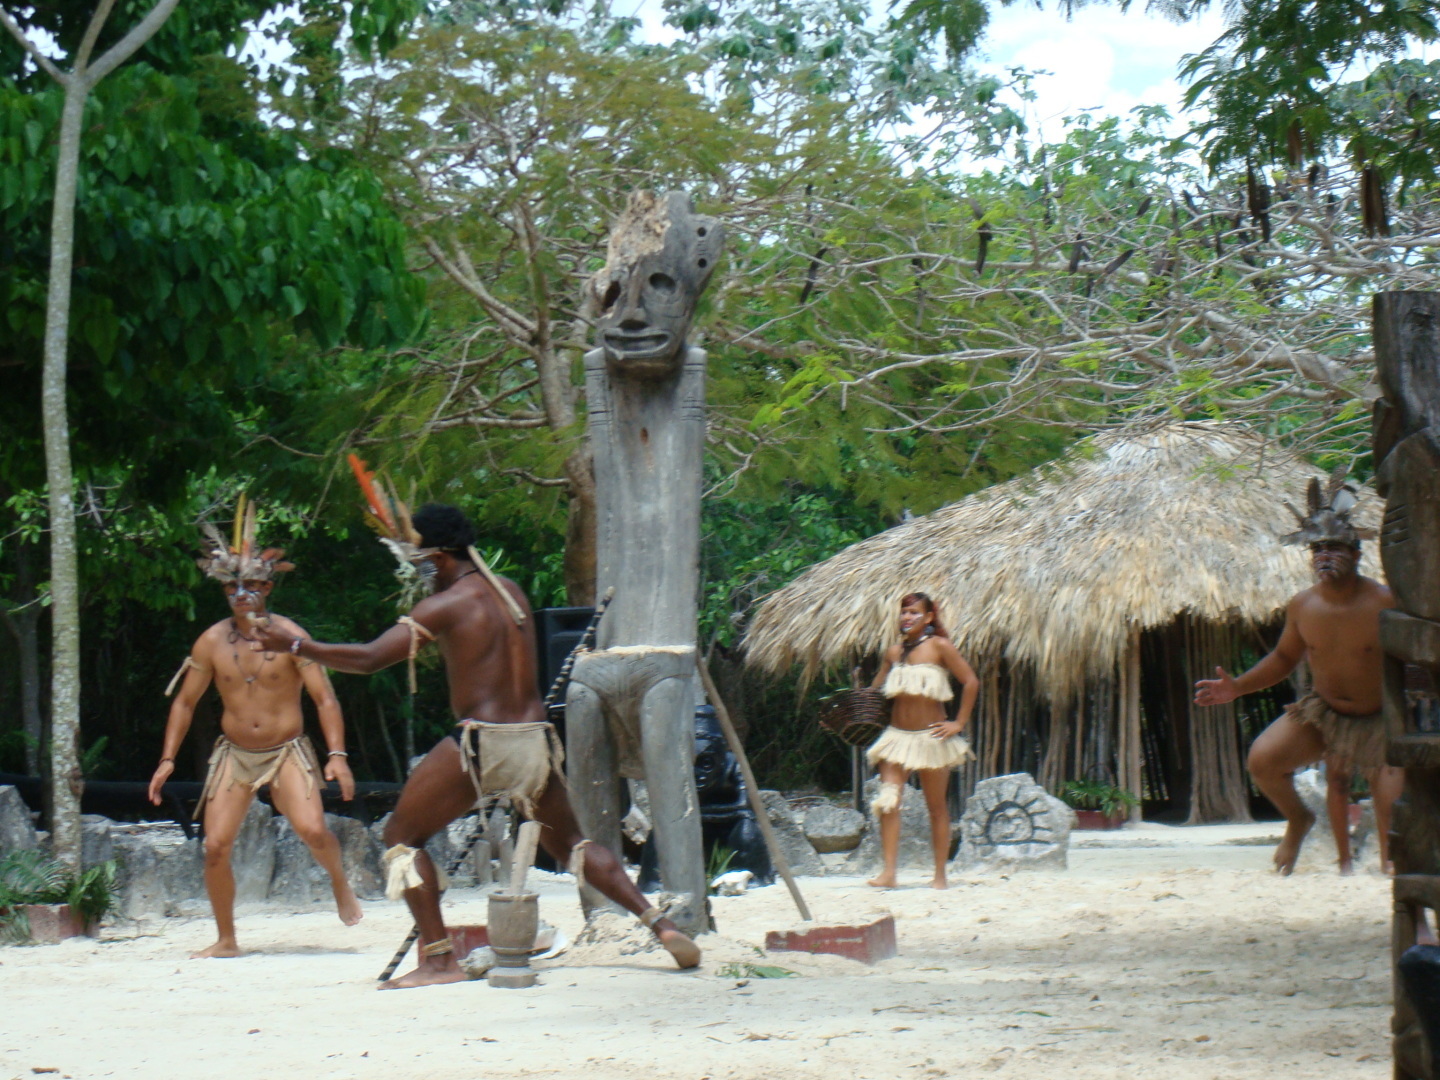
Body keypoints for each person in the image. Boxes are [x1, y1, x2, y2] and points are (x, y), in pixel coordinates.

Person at [251, 501, 702, 989]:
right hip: (534, 741)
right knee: (573, 843)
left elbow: (370, 658)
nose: (420, 577)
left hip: (481, 743)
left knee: (401, 838)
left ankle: (438, 960)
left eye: (421, 566)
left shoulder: (444, 605)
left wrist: (297, 646)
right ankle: (661, 924)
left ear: (440, 558)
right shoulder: (510, 592)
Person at [148, 502, 361, 958]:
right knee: (215, 845)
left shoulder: (290, 636)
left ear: (267, 587)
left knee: (314, 830)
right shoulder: (211, 642)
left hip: (286, 751)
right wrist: (167, 759)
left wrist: (338, 756)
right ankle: (226, 939)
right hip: (235, 753)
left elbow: (325, 698)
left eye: (250, 586)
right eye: (232, 587)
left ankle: (339, 881)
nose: (241, 594)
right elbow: (185, 701)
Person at [1195, 474, 1401, 875]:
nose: (1324, 555)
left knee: (1390, 806)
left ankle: (1391, 870)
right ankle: (1299, 819)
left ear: (1356, 553)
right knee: (1263, 760)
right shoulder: (1303, 605)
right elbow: (1283, 658)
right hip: (1323, 714)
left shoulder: (1385, 602)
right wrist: (1237, 687)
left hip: (1383, 718)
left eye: (1334, 547)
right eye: (1317, 548)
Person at [865, 592, 980, 890]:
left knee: (936, 807)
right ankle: (889, 873)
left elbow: (970, 681)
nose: (907, 617)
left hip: (931, 737)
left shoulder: (940, 647)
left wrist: (958, 723)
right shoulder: (893, 652)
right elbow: (875, 692)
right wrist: (857, 703)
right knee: (888, 801)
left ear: (928, 617)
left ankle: (940, 875)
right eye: (904, 612)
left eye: (914, 612)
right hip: (896, 738)